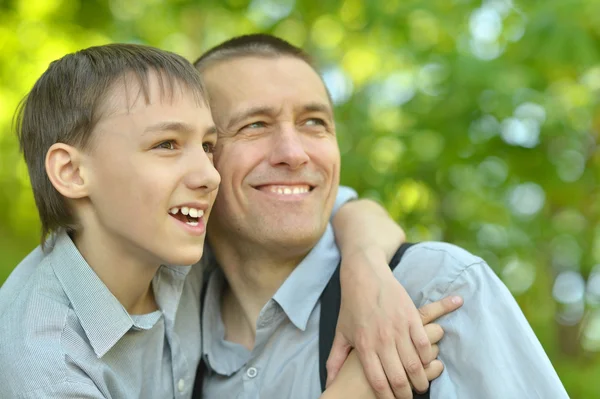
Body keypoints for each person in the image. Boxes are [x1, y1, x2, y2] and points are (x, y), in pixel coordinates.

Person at [0, 42, 448, 399]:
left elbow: (346, 208)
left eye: (209, 146)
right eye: (167, 145)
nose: (208, 176)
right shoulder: (45, 364)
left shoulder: (173, 242)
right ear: (72, 172)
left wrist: (365, 272)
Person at [191, 33, 570, 399]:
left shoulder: (431, 288)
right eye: (254, 125)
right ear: (199, 156)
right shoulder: (169, 329)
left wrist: (365, 261)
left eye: (314, 123)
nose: (294, 153)